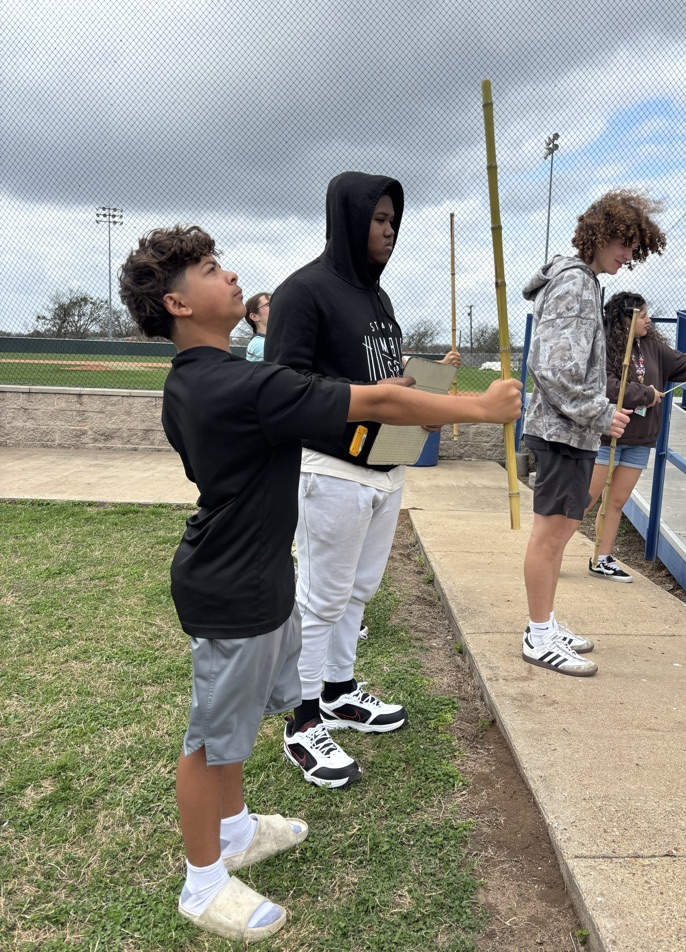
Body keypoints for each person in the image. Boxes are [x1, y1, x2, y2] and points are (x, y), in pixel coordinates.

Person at [117, 224, 522, 942]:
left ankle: (236, 830)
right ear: (177, 303)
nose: (231, 277)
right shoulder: (233, 386)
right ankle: (202, 881)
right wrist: (480, 409)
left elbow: (343, 395)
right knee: (209, 740)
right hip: (232, 587)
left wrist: (375, 388)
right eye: (212, 270)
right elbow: (371, 408)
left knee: (236, 725)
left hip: (259, 573)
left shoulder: (203, 380)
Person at [265, 171, 459, 788]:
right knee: (321, 597)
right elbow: (283, 389)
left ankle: (341, 691)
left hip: (386, 466)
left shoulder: (379, 299)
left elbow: (373, 374)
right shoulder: (303, 292)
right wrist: (375, 394)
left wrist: (418, 380)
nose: (389, 230)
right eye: (379, 219)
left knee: (357, 592)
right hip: (331, 469)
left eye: (395, 221)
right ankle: (302, 722)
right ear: (348, 219)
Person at [521, 190, 666, 677]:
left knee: (562, 532)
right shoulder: (576, 285)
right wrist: (601, 412)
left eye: (634, 248)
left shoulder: (581, 282)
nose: (628, 257)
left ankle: (544, 622)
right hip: (565, 430)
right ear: (600, 234)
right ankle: (538, 635)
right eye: (624, 244)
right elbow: (553, 367)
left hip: (571, 429)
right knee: (551, 534)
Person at [587, 291, 686, 581]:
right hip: (605, 436)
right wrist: (646, 394)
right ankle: (551, 552)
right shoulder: (603, 347)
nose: (650, 319)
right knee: (583, 499)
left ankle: (602, 558)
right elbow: (607, 386)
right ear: (625, 320)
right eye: (644, 315)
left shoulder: (652, 346)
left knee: (615, 502)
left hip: (640, 439)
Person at [244, 293, 272, 361]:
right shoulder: (259, 344)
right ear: (254, 317)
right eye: (268, 304)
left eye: (275, 302)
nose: (275, 306)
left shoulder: (272, 340)